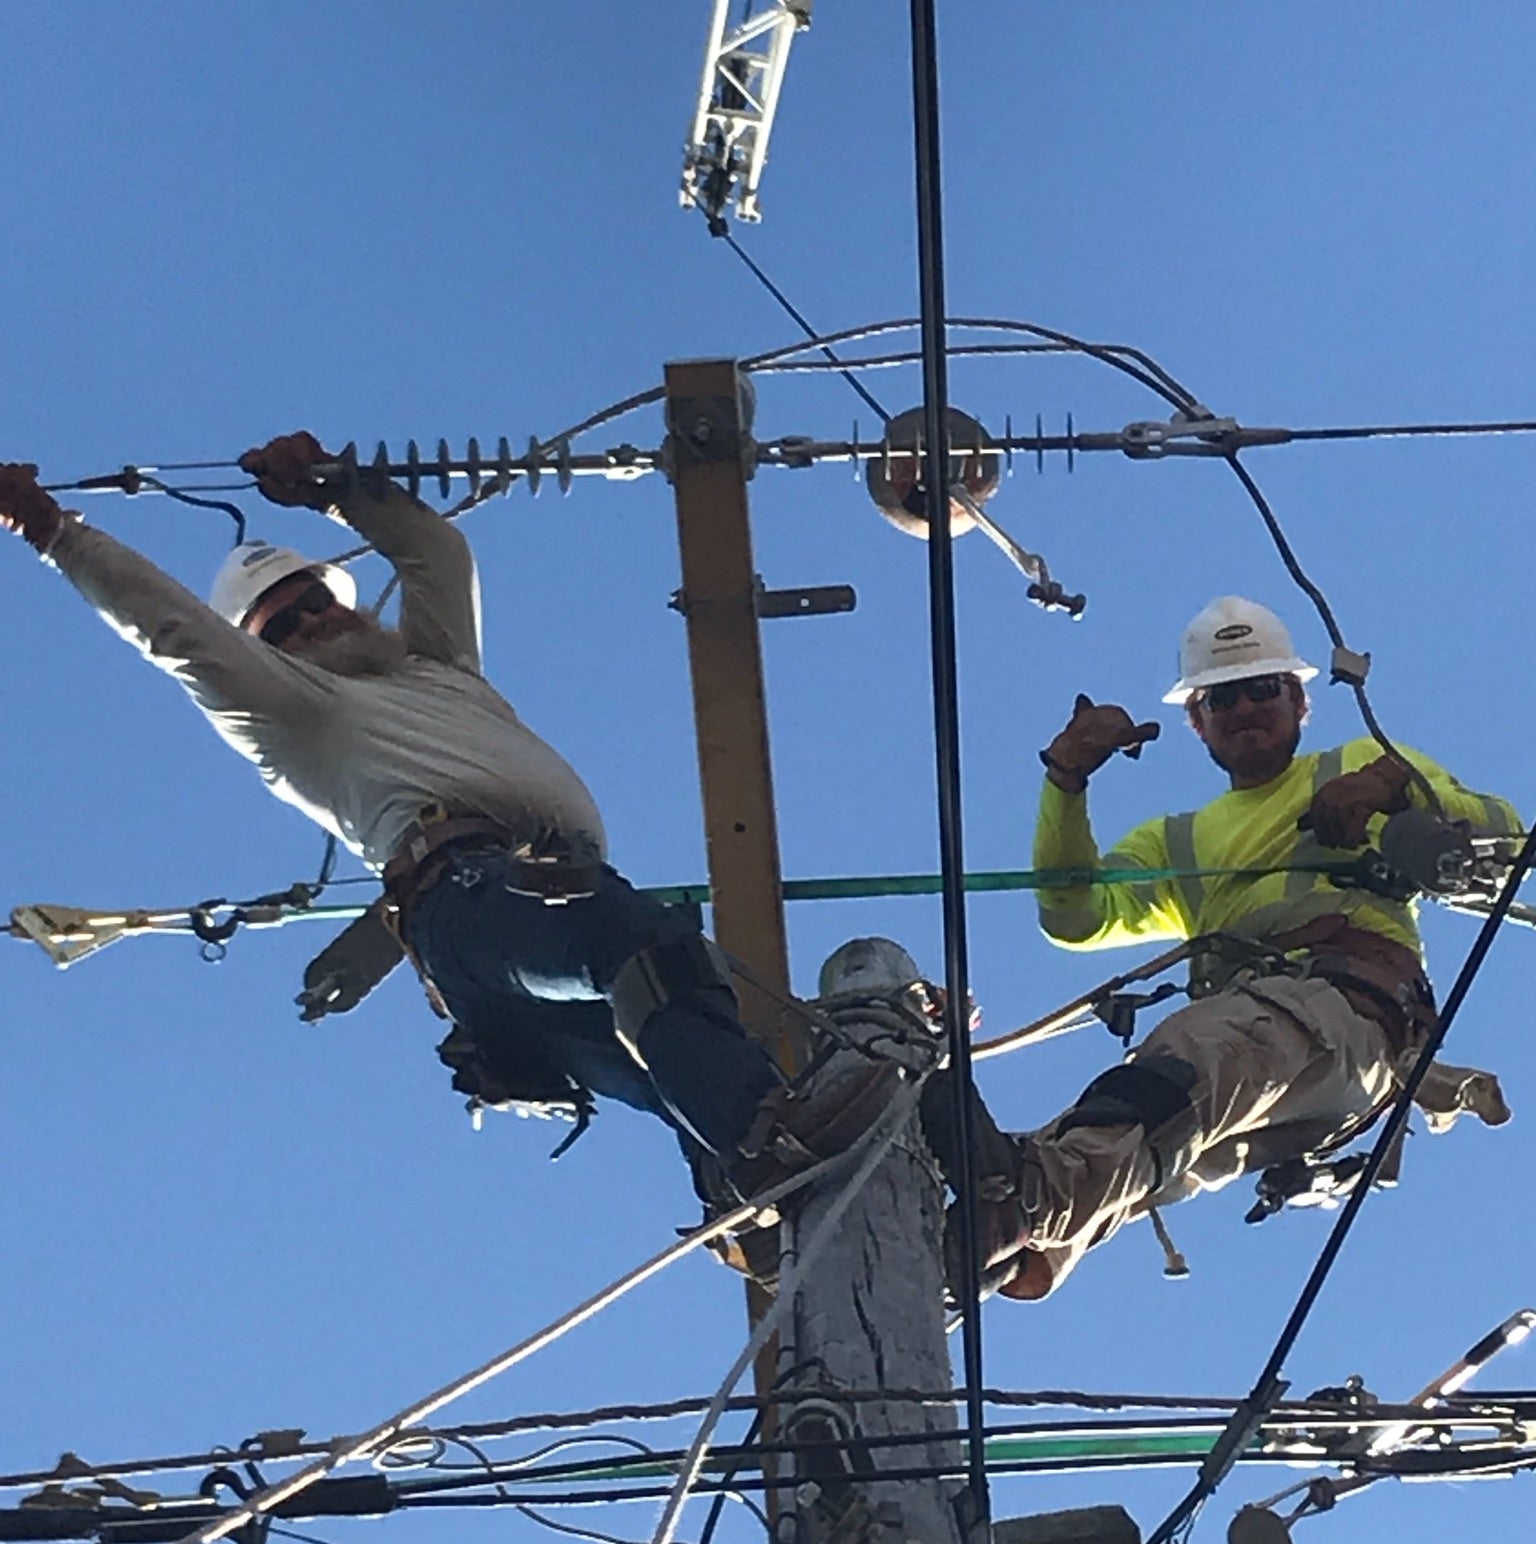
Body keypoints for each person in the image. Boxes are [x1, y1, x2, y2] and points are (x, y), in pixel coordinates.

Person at [0, 434, 890, 1196]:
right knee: (647, 952)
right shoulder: (290, 712)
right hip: (470, 900)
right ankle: (768, 1142)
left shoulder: (436, 668)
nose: (310, 620)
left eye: (316, 599)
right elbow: (176, 631)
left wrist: (337, 489)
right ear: (265, 654)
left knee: (685, 1049)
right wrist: (50, 529)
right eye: (283, 626)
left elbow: (438, 556)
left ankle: (781, 1185)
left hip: (519, 925)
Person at [922, 595, 1522, 1300]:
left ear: (1299, 701)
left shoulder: (1361, 762)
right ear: (1197, 720)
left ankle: (1026, 1206)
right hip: (1260, 1061)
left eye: (1263, 688)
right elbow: (1073, 916)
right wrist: (1065, 780)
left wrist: (1390, 789)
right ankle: (973, 1256)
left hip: (1347, 1014)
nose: (1244, 708)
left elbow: (1506, 837)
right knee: (1138, 1130)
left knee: (1190, 1059)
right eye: (1221, 698)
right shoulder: (1176, 843)